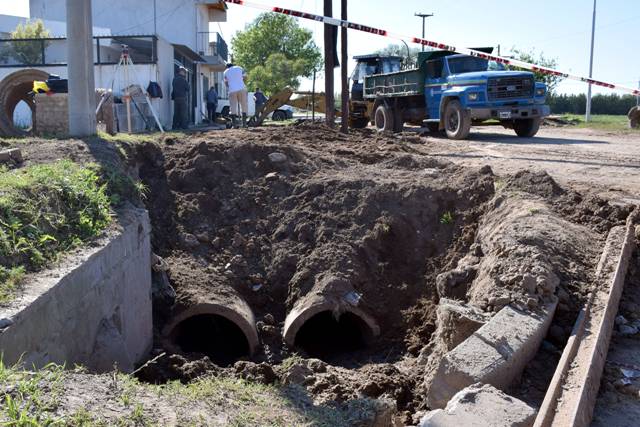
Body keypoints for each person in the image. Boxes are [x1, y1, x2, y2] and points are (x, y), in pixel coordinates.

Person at [223, 63, 248, 128]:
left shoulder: (225, 72)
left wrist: (230, 87)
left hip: (232, 91)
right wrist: (242, 84)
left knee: (233, 107)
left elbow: (226, 83)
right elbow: (245, 77)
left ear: (227, 67)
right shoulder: (239, 68)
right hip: (242, 89)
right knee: (244, 106)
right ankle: (244, 124)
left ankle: (234, 125)